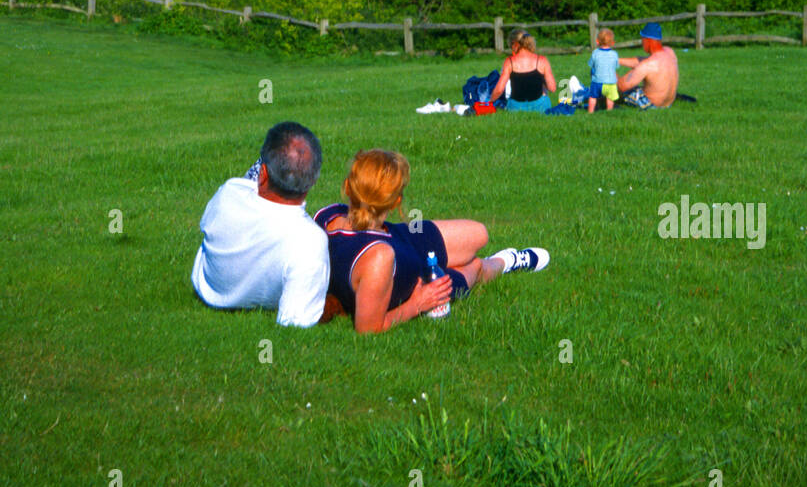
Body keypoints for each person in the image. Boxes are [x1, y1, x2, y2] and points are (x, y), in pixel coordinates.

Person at [315, 149, 549, 334]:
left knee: (479, 233)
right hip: (417, 275)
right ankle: (506, 262)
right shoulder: (378, 258)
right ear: (396, 202)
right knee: (475, 266)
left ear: (347, 187)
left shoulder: (327, 216)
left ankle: (489, 262)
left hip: (397, 236)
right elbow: (368, 329)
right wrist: (418, 303)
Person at [191, 122, 329, 327]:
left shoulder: (230, 191)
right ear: (312, 182)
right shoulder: (310, 241)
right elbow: (294, 321)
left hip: (206, 288)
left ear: (262, 173)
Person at [488, 29, 557, 113]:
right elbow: (552, 88)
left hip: (516, 107)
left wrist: (489, 102)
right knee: (544, 94)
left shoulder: (509, 61)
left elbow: (499, 90)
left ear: (515, 44)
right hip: (540, 106)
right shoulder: (542, 60)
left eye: (510, 46)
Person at [616, 21, 679, 108]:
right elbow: (643, 61)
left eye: (642, 39)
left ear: (647, 40)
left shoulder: (647, 65)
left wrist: (608, 68)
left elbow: (622, 86)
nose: (642, 43)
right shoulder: (670, 52)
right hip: (668, 104)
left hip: (651, 104)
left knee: (617, 90)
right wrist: (617, 60)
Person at [588, 27, 620, 113]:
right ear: (612, 43)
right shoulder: (614, 54)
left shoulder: (595, 53)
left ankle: (590, 112)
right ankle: (609, 111)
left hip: (597, 82)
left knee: (592, 97)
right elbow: (615, 67)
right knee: (610, 98)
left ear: (597, 41)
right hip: (610, 82)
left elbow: (591, 65)